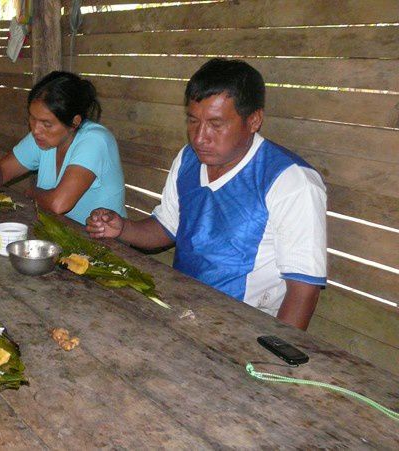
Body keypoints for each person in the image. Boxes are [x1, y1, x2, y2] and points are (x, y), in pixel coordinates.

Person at [86, 58, 327, 330]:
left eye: (216, 124)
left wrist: (271, 358)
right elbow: (167, 227)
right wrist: (123, 229)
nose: (199, 137)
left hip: (245, 329)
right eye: (193, 121)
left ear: (254, 120)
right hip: (181, 310)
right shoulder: (189, 159)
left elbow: (304, 290)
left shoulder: (291, 181)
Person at [0, 71, 126, 225]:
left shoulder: (95, 140)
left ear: (74, 122)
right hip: (61, 234)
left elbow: (58, 204)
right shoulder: (44, 137)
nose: (35, 129)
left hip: (109, 246)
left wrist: (31, 193)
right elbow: (1, 169)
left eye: (46, 124)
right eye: (32, 119)